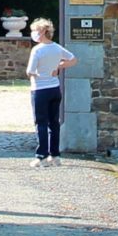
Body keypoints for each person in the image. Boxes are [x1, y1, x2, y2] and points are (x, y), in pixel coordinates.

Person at [25, 18, 77, 164]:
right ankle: (55, 155)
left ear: (42, 32)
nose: (33, 33)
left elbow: (30, 71)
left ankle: (41, 155)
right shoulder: (57, 48)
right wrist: (58, 66)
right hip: (54, 88)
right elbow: (73, 60)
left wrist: (37, 73)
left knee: (41, 122)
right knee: (54, 123)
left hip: (40, 89)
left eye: (35, 30)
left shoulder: (37, 50)